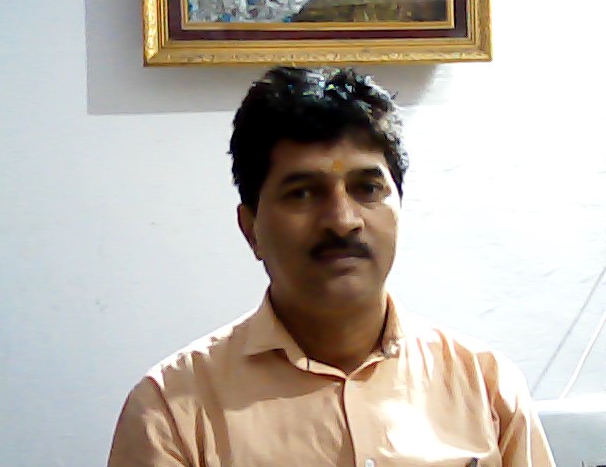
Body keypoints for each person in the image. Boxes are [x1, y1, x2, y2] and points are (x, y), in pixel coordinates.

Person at [107, 67, 556, 466]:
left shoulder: (487, 387)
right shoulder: (172, 410)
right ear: (251, 230)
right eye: (303, 193)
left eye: (367, 188)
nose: (342, 221)